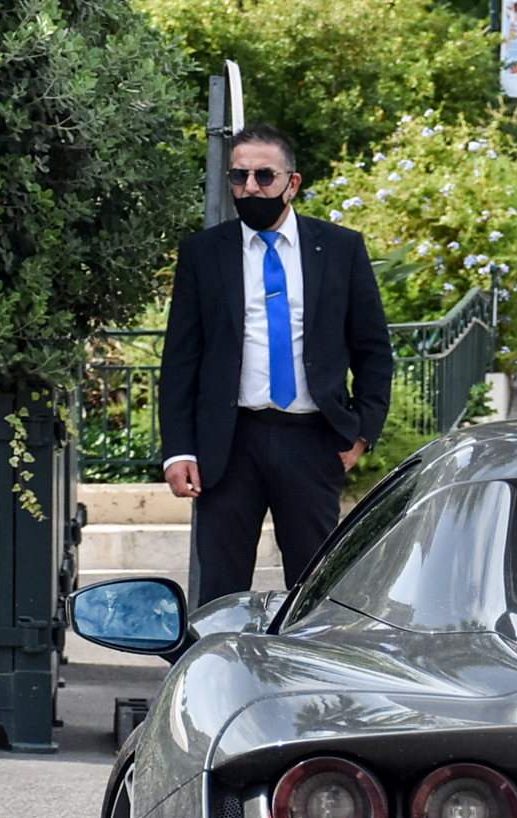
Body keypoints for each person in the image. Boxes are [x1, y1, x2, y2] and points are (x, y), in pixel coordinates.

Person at [158, 124, 395, 605]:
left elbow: (373, 349)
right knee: (219, 595)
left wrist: (362, 432)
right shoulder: (204, 253)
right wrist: (178, 449)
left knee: (316, 594)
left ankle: (312, 677)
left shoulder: (341, 249)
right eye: (239, 175)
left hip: (311, 441)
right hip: (228, 445)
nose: (250, 187)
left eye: (264, 176)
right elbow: (181, 358)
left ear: (293, 182)